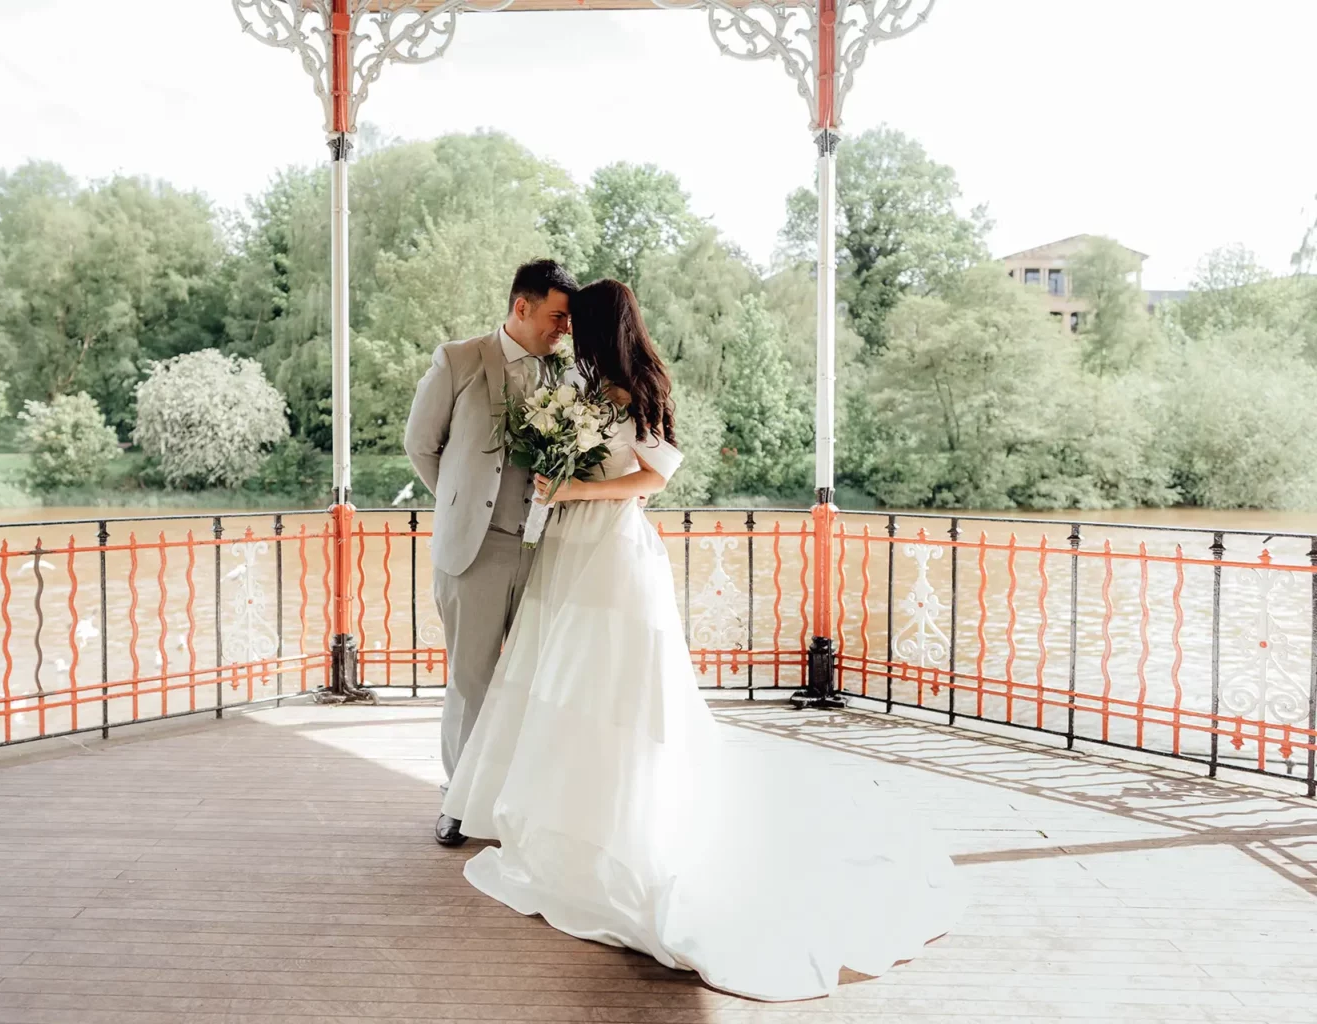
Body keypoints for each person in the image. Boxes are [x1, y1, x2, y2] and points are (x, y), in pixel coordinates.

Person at [439, 278, 963, 1001]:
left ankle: (617, 818)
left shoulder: (643, 385)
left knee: (611, 681)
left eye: (576, 323)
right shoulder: (585, 387)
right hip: (564, 548)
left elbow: (652, 477)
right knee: (558, 677)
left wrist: (576, 490)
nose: (567, 333)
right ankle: (551, 806)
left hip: (612, 549)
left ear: (599, 327)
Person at [403, 258, 578, 848]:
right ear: (521, 307)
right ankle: (460, 801)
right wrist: (460, 503)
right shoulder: (457, 359)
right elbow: (421, 445)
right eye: (556, 316)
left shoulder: (564, 375)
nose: (564, 329)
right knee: (471, 678)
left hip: (541, 547)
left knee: (529, 678)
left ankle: (515, 800)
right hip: (472, 551)